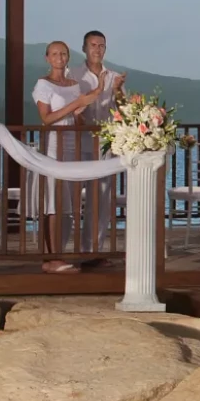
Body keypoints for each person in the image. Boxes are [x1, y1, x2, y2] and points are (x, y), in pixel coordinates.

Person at [31, 40, 104, 273]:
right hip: (54, 147)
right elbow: (47, 118)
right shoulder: (43, 84)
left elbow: (76, 115)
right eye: (55, 54)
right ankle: (52, 257)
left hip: (74, 146)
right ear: (47, 58)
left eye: (63, 53)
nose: (60, 57)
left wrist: (80, 112)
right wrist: (77, 103)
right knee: (54, 201)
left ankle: (60, 254)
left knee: (70, 204)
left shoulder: (74, 85)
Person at [75, 30, 126, 252]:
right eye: (93, 45)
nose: (97, 49)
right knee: (69, 199)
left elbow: (124, 111)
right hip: (77, 143)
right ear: (84, 48)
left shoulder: (114, 77)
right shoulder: (74, 75)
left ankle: (92, 251)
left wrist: (117, 92)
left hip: (105, 146)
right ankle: (60, 252)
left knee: (101, 202)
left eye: (101, 45)